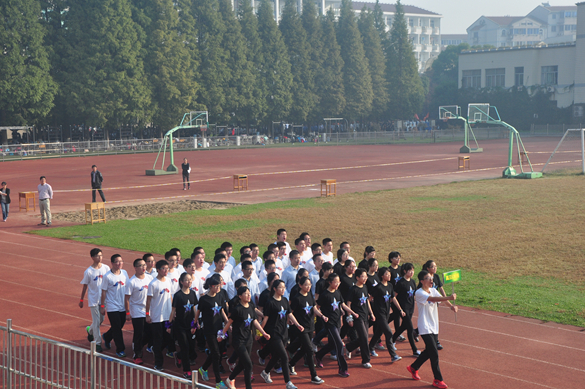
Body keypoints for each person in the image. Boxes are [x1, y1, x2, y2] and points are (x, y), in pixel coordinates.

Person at [407, 270, 457, 389]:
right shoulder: (419, 293)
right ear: (422, 281)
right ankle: (438, 379)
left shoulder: (433, 289)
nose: (431, 280)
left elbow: (441, 299)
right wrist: (449, 297)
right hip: (425, 327)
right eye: (428, 278)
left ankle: (414, 367)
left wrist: (451, 307)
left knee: (429, 351)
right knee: (434, 353)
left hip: (434, 326)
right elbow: (432, 299)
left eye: (431, 278)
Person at [220, 286, 270, 389]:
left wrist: (263, 333)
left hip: (249, 340)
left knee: (243, 363)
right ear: (240, 296)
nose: (248, 295)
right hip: (238, 340)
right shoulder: (237, 309)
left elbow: (255, 321)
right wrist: (221, 334)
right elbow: (229, 323)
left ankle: (230, 379)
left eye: (249, 293)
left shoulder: (251, 307)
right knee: (248, 364)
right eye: (245, 293)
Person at [260, 279, 302, 389]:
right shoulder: (270, 303)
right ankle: (288, 383)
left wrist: (297, 325)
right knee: (284, 357)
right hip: (274, 333)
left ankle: (265, 372)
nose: (283, 290)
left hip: (284, 332)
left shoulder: (285, 300)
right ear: (274, 289)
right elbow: (265, 319)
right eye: (280, 288)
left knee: (277, 355)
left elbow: (289, 314)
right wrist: (261, 332)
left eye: (284, 288)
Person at [314, 273, 354, 378]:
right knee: (339, 345)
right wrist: (322, 316)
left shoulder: (337, 292)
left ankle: (319, 355)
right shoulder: (324, 295)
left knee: (332, 344)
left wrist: (352, 313)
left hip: (337, 322)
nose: (337, 284)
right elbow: (317, 307)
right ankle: (342, 369)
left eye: (338, 282)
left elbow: (342, 304)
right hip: (330, 323)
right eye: (335, 282)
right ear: (330, 282)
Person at [289, 276, 326, 385]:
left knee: (305, 349)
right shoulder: (297, 298)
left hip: (310, 326)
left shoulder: (310, 295)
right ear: (300, 285)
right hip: (301, 328)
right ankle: (313, 375)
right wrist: (293, 323)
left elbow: (314, 307)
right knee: (309, 350)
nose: (308, 287)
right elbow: (290, 312)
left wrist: (321, 316)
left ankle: (291, 364)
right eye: (306, 285)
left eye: (309, 285)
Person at [196, 275, 230, 389]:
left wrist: (227, 323)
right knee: (216, 354)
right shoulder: (204, 299)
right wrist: (195, 323)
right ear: (211, 286)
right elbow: (198, 311)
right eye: (216, 286)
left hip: (219, 329)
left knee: (217, 351)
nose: (219, 288)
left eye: (219, 286)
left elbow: (222, 311)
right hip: (209, 330)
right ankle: (218, 381)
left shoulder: (220, 296)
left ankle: (203, 368)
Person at [368, 267, 404, 362]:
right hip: (379, 313)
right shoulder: (378, 287)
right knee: (388, 333)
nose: (389, 275)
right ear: (382, 276)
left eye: (389, 274)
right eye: (387, 274)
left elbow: (393, 298)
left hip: (387, 313)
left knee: (379, 332)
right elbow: (369, 299)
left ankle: (370, 347)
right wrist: (370, 312)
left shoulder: (390, 286)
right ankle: (393, 355)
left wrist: (400, 310)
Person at [146, 260, 176, 371]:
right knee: (158, 339)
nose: (166, 270)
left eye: (167, 268)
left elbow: (171, 296)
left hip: (168, 316)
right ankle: (158, 363)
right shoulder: (153, 284)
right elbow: (148, 301)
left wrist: (173, 311)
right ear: (158, 270)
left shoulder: (169, 281)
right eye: (163, 268)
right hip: (157, 316)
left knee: (168, 338)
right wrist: (147, 315)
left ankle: (155, 349)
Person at [79, 248, 110, 352]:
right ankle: (98, 343)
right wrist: (81, 299)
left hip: (104, 299)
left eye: (101, 255)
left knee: (101, 320)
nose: (100, 257)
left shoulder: (106, 268)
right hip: (93, 299)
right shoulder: (89, 272)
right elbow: (85, 286)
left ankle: (90, 330)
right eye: (97, 256)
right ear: (92, 257)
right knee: (97, 322)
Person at [344, 269, 375, 369]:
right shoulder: (353, 289)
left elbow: (367, 301)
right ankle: (366, 360)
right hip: (357, 317)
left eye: (366, 276)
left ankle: (348, 347)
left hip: (365, 315)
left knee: (363, 337)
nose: (365, 278)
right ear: (357, 277)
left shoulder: (365, 287)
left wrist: (371, 313)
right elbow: (348, 304)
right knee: (365, 338)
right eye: (363, 276)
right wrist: (349, 317)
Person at [99, 254, 130, 357]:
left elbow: (128, 289)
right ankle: (120, 349)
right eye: (117, 262)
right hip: (112, 306)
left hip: (122, 305)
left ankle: (107, 337)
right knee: (117, 329)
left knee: (119, 325)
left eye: (121, 261)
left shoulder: (124, 273)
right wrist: (103, 306)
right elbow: (103, 292)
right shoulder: (107, 276)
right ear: (112, 263)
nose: (119, 264)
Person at [125, 258, 153, 365]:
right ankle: (137, 355)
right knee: (139, 333)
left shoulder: (149, 278)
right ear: (135, 268)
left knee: (150, 331)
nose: (144, 267)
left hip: (148, 310)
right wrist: (128, 313)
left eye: (144, 265)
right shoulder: (132, 282)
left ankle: (139, 345)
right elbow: (127, 298)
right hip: (137, 311)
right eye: (141, 265)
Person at [169, 273, 198, 379]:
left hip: (190, 325)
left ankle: (179, 355)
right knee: (185, 346)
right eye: (187, 280)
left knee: (191, 346)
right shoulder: (178, 295)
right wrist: (169, 324)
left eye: (190, 280)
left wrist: (195, 322)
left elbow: (194, 308)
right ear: (181, 282)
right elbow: (173, 311)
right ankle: (186, 370)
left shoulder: (193, 293)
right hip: (180, 326)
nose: (189, 282)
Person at [422, 260, 452, 350]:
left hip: (435, 302)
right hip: (427, 303)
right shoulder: (425, 278)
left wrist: (445, 298)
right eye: (432, 267)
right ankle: (435, 341)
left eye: (436, 266)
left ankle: (416, 332)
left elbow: (440, 288)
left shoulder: (436, 276)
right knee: (429, 320)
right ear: (428, 268)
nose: (435, 268)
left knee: (433, 320)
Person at [392, 263, 419, 356]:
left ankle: (392, 340)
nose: (412, 272)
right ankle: (415, 350)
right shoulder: (401, 283)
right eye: (410, 270)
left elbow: (415, 294)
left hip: (411, 308)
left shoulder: (412, 282)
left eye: (413, 270)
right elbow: (394, 296)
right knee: (410, 328)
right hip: (404, 309)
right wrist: (399, 309)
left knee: (404, 326)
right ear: (405, 271)